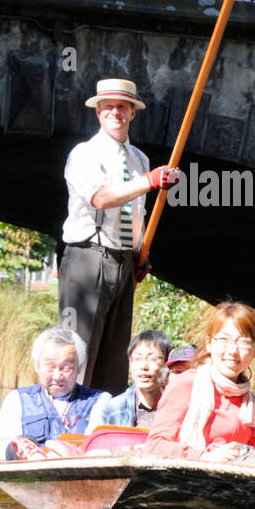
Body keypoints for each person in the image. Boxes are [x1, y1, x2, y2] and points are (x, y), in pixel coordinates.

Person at [58, 77, 179, 394]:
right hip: (87, 259)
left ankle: (100, 425)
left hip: (124, 263)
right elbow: (102, 198)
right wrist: (150, 182)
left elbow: (136, 212)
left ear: (132, 112)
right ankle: (67, 419)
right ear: (98, 112)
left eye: (121, 106)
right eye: (108, 106)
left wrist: (139, 254)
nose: (115, 112)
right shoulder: (84, 154)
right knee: (78, 351)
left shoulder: (139, 159)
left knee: (114, 357)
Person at [146, 301, 255, 469]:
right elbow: (155, 445)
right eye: (224, 339)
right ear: (209, 343)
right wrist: (204, 457)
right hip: (195, 475)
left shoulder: (254, 407)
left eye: (244, 342)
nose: (232, 350)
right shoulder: (187, 384)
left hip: (242, 482)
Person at [0, 327, 103, 461]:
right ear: (37, 366)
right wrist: (25, 451)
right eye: (50, 367)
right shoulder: (17, 400)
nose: (57, 376)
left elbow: (101, 448)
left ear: (79, 368)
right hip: (30, 472)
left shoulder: (100, 401)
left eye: (66, 368)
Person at [87, 328, 173, 429]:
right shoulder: (112, 409)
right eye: (137, 358)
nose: (143, 366)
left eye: (152, 359)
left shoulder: (179, 405)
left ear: (168, 364)